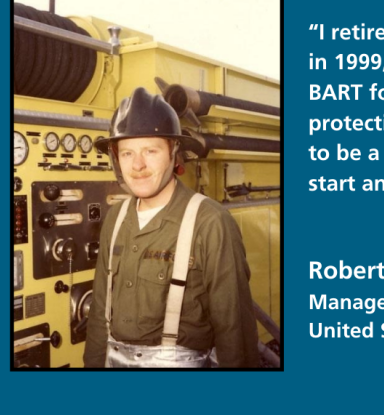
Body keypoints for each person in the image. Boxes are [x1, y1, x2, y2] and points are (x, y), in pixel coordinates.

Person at [83, 88, 260, 368]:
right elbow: (98, 322)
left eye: (150, 151)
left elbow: (234, 332)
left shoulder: (210, 222)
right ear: (116, 158)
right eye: (127, 153)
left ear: (173, 152)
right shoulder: (115, 219)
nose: (137, 165)